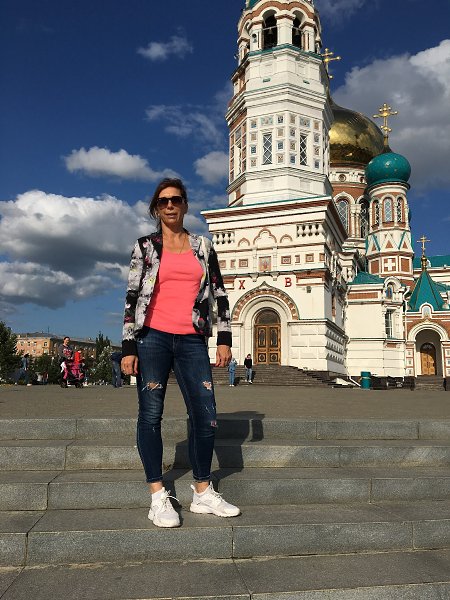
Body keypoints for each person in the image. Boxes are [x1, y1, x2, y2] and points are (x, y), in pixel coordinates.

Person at [121, 177, 240, 528]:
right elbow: (132, 298)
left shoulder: (203, 247)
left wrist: (224, 338)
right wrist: (128, 345)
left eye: (176, 200)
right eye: (163, 201)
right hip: (152, 338)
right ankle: (158, 495)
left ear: (185, 205)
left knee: (206, 415)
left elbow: (219, 292)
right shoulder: (145, 247)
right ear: (156, 209)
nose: (170, 205)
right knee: (151, 414)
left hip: (191, 339)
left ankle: (202, 491)